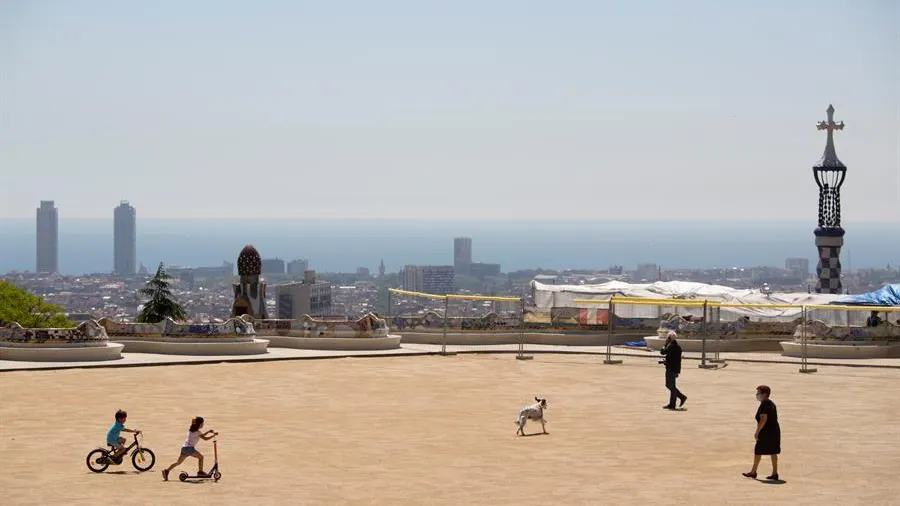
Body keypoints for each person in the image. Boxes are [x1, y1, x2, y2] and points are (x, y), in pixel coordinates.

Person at [743, 385, 781, 480]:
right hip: (774, 430)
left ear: (764, 394)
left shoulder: (764, 405)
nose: (757, 395)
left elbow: (763, 419)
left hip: (766, 431)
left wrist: (757, 432)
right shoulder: (771, 403)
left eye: (758, 393)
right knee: (773, 451)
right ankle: (775, 473)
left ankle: (753, 472)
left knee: (758, 451)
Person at [161, 416, 218, 481]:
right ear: (199, 424)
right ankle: (200, 472)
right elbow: (205, 438)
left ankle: (166, 471)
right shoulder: (198, 432)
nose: (203, 424)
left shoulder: (192, 431)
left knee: (178, 462)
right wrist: (214, 435)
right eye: (202, 423)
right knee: (201, 457)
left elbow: (202, 435)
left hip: (184, 448)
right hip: (189, 449)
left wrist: (208, 431)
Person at [660, 331, 687, 410]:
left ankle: (681, 398)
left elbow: (662, 352)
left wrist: (665, 344)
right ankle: (673, 403)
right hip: (675, 368)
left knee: (670, 385)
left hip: (671, 369)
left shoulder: (671, 346)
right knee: (671, 386)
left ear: (669, 338)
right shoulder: (677, 346)